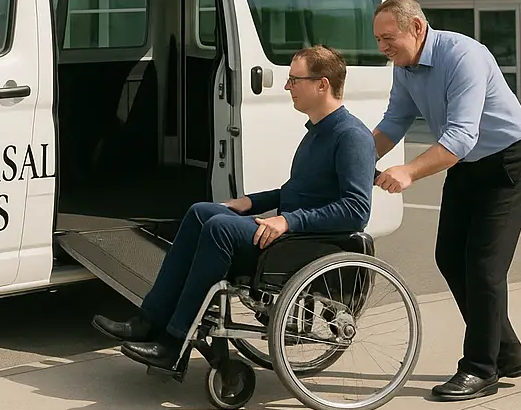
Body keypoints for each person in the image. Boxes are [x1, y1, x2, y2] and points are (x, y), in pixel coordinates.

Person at [93, 44, 377, 374]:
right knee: (202, 211)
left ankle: (173, 343)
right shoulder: (319, 132)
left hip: (305, 244)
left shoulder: (352, 136)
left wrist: (287, 221)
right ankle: (148, 320)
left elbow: (356, 210)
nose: (288, 87)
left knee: (220, 229)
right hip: (293, 233)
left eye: (294, 80)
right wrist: (252, 202)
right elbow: (299, 192)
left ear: (322, 84)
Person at [371, 0, 521, 402]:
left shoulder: (463, 55)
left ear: (416, 27)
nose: (383, 48)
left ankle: (481, 368)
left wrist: (408, 171)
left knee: (484, 266)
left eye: (388, 38)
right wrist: (351, 160)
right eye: (378, 40)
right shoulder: (406, 68)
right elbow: (394, 122)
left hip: (507, 163)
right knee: (449, 256)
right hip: (468, 164)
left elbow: (462, 136)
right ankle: (510, 353)